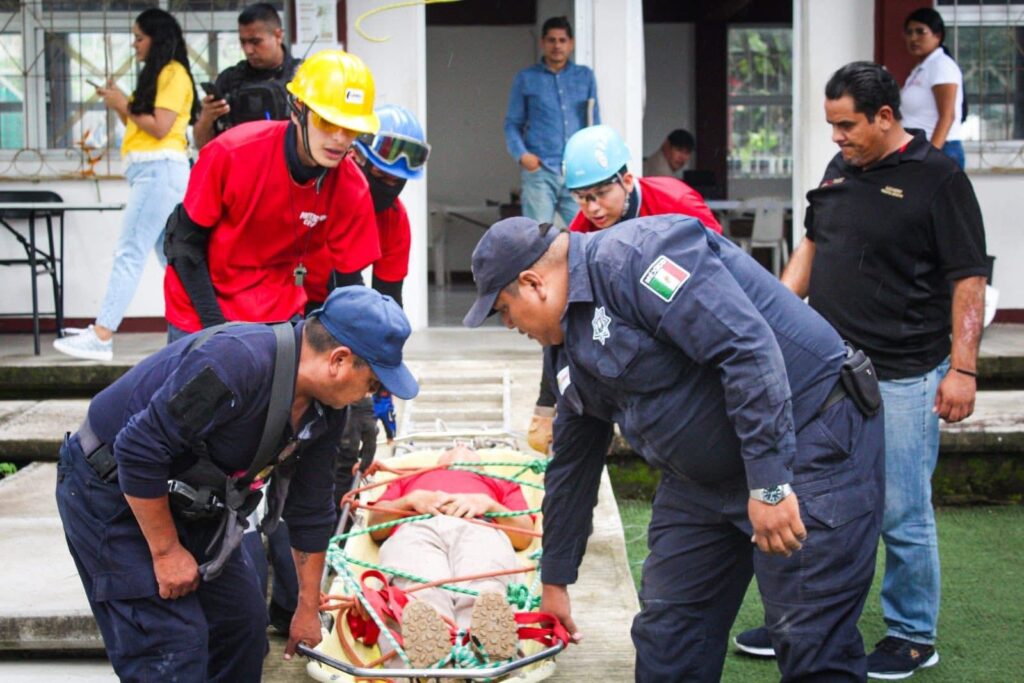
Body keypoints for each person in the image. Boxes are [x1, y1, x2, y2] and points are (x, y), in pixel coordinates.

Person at [464, 216, 886, 681]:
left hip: (809, 438)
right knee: (669, 636)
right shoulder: (565, 345)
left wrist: (769, 483)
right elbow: (573, 462)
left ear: (533, 283)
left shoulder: (639, 259)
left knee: (810, 637)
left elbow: (745, 349)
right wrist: (555, 580)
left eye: (503, 309)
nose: (507, 325)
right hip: (700, 478)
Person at [735, 61, 988, 680]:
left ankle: (910, 633)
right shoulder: (838, 171)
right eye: (831, 125)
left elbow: (969, 279)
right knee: (813, 499)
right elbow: (810, 253)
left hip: (903, 375)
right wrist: (764, 320)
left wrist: (964, 369)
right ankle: (806, 617)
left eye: (847, 124)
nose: (837, 137)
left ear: (884, 117)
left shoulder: (939, 180)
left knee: (900, 509)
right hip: (827, 372)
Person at [55, 286, 419, 682]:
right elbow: (139, 449)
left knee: (243, 627)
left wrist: (307, 607)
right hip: (109, 488)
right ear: (339, 361)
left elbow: (311, 510)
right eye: (372, 384)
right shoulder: (238, 361)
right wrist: (166, 552)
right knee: (174, 646)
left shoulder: (324, 412)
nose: (372, 394)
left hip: (191, 498)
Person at [527, 124, 722, 453]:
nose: (593, 208)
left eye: (601, 194)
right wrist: (546, 405)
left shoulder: (676, 202)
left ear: (627, 181)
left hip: (690, 309)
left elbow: (722, 271)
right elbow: (560, 314)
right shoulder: (585, 228)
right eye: (582, 198)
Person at [163, 49, 380, 339]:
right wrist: (215, 330)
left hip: (279, 309)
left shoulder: (351, 185)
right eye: (327, 122)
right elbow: (184, 245)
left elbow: (349, 282)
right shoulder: (232, 153)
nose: (339, 138)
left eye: (351, 128)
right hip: (201, 308)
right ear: (297, 110)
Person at [54, 8, 197, 361]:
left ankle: (102, 335)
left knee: (129, 252)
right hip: (154, 172)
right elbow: (140, 124)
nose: (134, 45)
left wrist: (125, 103)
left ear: (156, 38)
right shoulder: (161, 73)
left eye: (139, 37)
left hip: (159, 171)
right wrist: (121, 104)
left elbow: (160, 127)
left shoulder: (174, 73)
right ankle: (203, 326)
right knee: (172, 259)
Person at [364, 445, 531, 667]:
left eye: (470, 447)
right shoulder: (409, 479)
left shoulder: (501, 483)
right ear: (438, 461)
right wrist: (411, 500)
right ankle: (440, 666)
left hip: (480, 527)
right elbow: (375, 527)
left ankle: (485, 657)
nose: (460, 447)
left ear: (481, 464)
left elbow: (524, 535)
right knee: (420, 596)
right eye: (452, 447)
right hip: (417, 529)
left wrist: (488, 504)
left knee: (484, 592)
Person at [303, 103, 430, 312]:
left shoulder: (394, 219)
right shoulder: (313, 193)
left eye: (396, 181)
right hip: (282, 297)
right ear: (354, 156)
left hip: (336, 301)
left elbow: (389, 300)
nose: (388, 187)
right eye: (380, 175)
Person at [504, 16, 599, 227]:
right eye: (551, 40)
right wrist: (523, 156)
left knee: (588, 232)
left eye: (562, 40)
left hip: (577, 171)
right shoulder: (526, 78)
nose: (557, 45)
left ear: (571, 44)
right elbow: (512, 123)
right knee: (538, 237)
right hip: (540, 170)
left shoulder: (585, 77)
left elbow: (594, 123)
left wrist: (594, 164)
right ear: (542, 43)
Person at [193, 3, 300, 150]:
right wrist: (206, 118)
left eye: (255, 42)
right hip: (240, 167)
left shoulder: (303, 76)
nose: (248, 50)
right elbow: (204, 147)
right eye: (243, 42)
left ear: (278, 36)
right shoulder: (229, 80)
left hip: (290, 168)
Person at [901, 7, 966, 168]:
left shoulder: (941, 65)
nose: (913, 38)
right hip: (920, 149)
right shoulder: (922, 67)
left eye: (920, 32)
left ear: (937, 36)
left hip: (940, 149)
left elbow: (947, 116)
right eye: (909, 33)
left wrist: (929, 155)